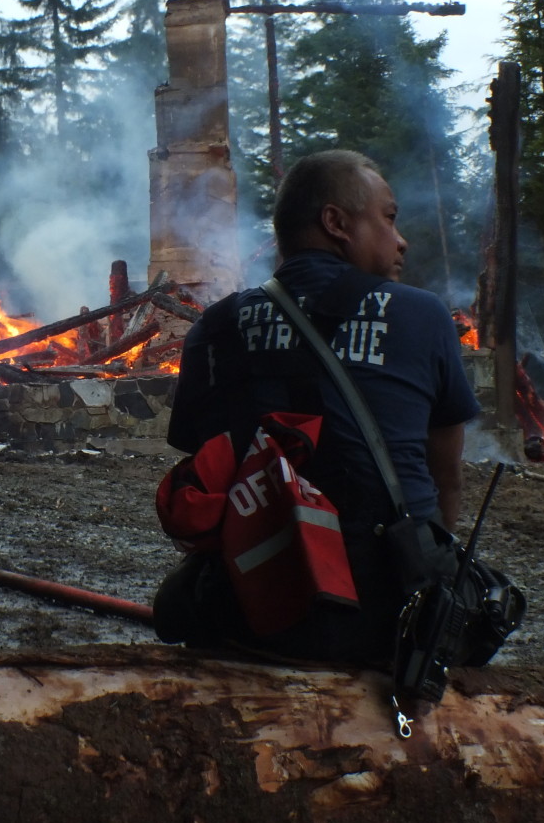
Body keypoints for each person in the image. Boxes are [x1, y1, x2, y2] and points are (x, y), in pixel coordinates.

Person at [155, 149, 481, 665]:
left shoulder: (212, 329)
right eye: (389, 217)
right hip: (389, 620)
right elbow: (447, 482)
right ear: (336, 223)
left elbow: (207, 480)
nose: (402, 240)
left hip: (249, 614)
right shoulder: (424, 316)